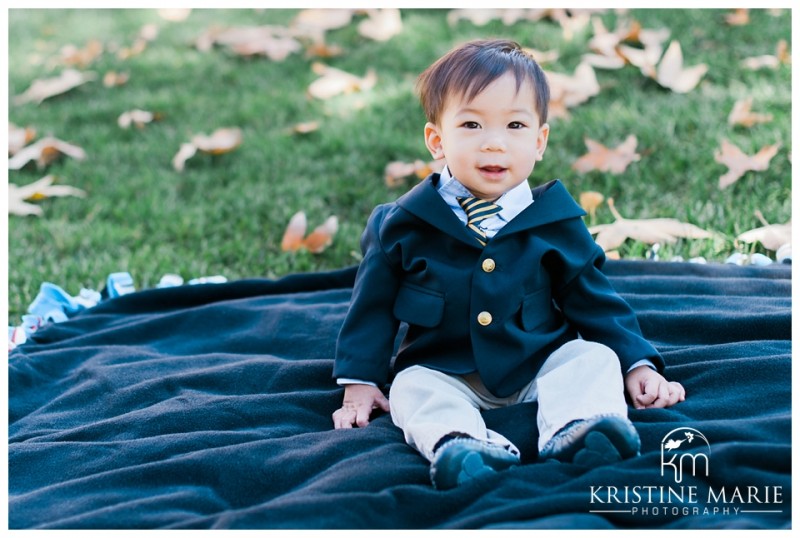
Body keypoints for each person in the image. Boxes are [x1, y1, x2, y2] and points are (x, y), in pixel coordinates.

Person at [331, 39, 685, 489]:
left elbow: (595, 302)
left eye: (515, 125)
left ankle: (580, 428)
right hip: (446, 369)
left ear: (539, 142)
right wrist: (360, 379)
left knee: (591, 357)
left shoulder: (555, 221)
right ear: (437, 141)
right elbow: (372, 308)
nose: (494, 144)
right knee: (410, 387)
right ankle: (460, 444)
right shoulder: (401, 224)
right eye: (473, 124)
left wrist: (637, 363)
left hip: (536, 361)